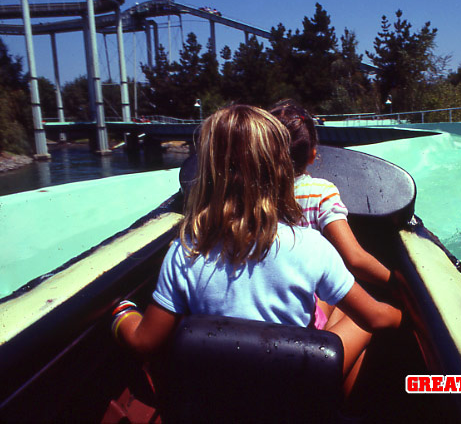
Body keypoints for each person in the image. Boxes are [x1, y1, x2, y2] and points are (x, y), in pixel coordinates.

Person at [112, 104, 402, 388]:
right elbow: (376, 318)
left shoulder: (184, 252)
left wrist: (121, 312)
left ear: (208, 174)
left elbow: (143, 342)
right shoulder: (313, 247)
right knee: (358, 317)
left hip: (219, 396)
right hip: (293, 397)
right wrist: (407, 314)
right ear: (281, 171)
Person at [269, 101, 395, 328]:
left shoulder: (254, 196)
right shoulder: (320, 192)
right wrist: (398, 284)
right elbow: (354, 259)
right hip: (306, 307)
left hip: (277, 299)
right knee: (361, 313)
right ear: (312, 155)